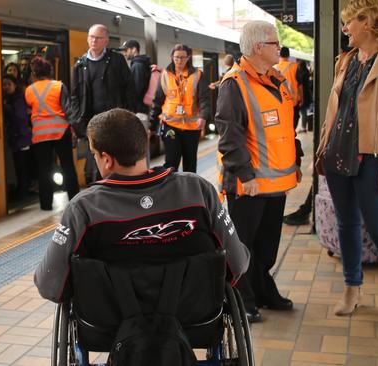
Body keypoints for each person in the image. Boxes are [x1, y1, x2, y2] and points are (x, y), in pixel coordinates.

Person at [34, 108, 250, 304]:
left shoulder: (83, 208)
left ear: (106, 159)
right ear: (143, 143)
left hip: (109, 326)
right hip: (194, 316)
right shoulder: (198, 190)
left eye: (94, 154)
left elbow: (50, 285)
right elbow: (237, 264)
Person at [315, 0, 378, 332]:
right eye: (344, 23)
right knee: (346, 224)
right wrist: (322, 146)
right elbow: (336, 109)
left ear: (369, 23)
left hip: (375, 159)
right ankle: (352, 288)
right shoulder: (345, 60)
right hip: (337, 155)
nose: (345, 29)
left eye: (350, 22)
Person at [215, 20, 303, 323]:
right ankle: (243, 300)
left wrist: (297, 161)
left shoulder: (276, 80)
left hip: (276, 182)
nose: (279, 48)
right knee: (243, 247)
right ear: (256, 47)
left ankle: (264, 290)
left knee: (266, 247)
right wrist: (246, 175)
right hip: (249, 185)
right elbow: (230, 136)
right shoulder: (234, 84)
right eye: (274, 43)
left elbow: (285, 129)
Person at [70, 24, 135, 184]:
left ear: (106, 40)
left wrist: (126, 114)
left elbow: (129, 88)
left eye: (98, 38)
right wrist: (77, 121)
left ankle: (119, 188)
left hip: (114, 121)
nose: (94, 40)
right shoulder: (80, 64)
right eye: (91, 37)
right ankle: (98, 190)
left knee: (116, 160)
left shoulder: (117, 60)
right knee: (95, 161)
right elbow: (74, 96)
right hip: (91, 124)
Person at [25, 56, 79, 211]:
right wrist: (74, 128)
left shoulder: (29, 90)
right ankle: (74, 200)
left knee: (43, 169)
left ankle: (46, 204)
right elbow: (68, 110)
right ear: (50, 71)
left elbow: (30, 109)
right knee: (67, 166)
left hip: (40, 134)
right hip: (61, 131)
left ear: (34, 73)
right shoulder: (58, 86)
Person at [150, 44, 210, 173]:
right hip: (170, 125)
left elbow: (205, 99)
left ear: (188, 58)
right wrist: (151, 125)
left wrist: (203, 117)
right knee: (171, 162)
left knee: (190, 162)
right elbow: (157, 101)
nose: (179, 61)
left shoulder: (197, 75)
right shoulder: (165, 75)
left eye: (183, 57)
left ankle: (189, 190)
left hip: (192, 127)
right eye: (177, 57)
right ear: (172, 57)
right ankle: (170, 189)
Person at [2, 74, 32, 198]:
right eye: (3, 85)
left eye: (9, 84)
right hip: (17, 137)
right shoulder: (10, 98)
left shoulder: (18, 99)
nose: (6, 87)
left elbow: (19, 117)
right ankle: (21, 188)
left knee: (21, 166)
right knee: (18, 165)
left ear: (15, 85)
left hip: (21, 137)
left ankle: (23, 190)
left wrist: (5, 107)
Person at [274, 47, 305, 131]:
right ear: (288, 55)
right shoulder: (295, 66)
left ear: (279, 54)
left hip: (279, 101)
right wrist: (302, 99)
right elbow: (300, 85)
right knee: (293, 124)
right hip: (293, 101)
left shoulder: (274, 68)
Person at [121, 39, 152, 113]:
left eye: (126, 50)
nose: (124, 54)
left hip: (139, 109)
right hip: (141, 107)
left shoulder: (138, 65)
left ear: (134, 49)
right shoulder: (139, 63)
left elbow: (136, 90)